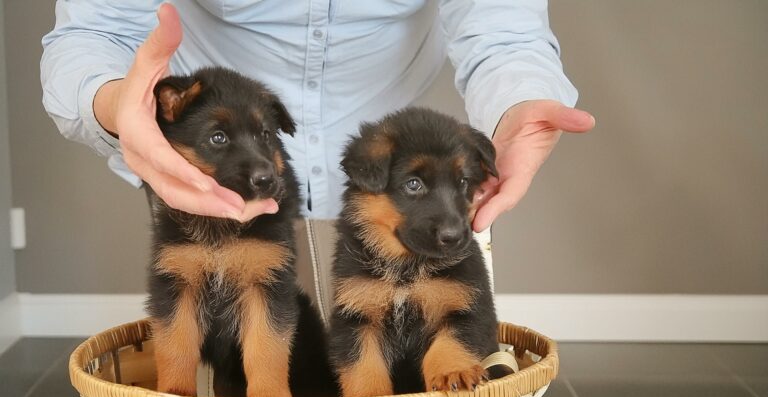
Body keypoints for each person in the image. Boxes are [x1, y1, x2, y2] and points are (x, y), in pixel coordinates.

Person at [41, 1, 594, 229]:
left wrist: (521, 101)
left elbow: (503, 34)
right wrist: (122, 105)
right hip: (203, 175)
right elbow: (96, 33)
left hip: (392, 176)